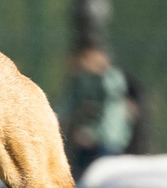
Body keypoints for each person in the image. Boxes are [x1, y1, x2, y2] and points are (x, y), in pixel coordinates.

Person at [59, 46, 137, 176]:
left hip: (108, 140)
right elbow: (70, 104)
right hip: (88, 139)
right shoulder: (84, 80)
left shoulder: (112, 78)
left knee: (103, 176)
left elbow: (108, 114)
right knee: (80, 175)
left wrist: (102, 69)